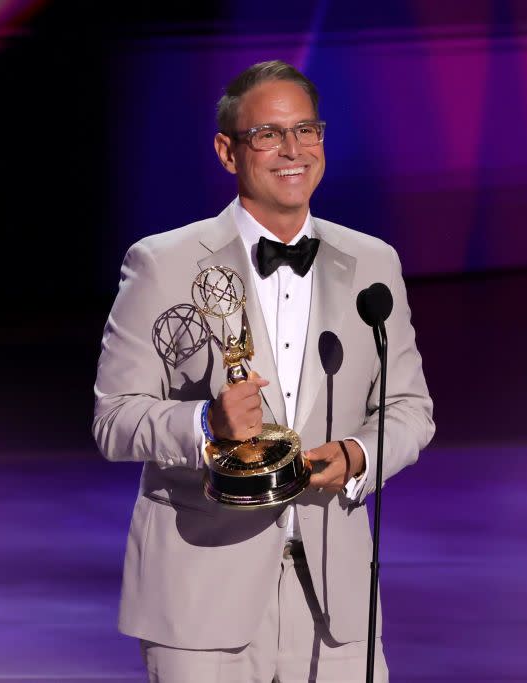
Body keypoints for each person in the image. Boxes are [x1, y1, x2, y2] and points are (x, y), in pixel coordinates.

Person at [92, 59, 434, 682]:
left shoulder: (372, 263)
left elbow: (410, 409)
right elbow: (115, 419)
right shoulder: (161, 263)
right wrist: (206, 423)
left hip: (337, 606)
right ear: (228, 152)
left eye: (307, 130)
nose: (293, 150)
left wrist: (359, 454)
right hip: (201, 594)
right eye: (268, 135)